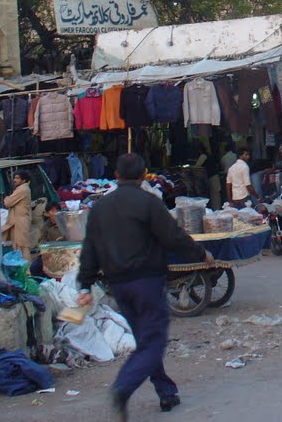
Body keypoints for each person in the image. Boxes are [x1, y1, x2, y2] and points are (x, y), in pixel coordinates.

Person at [77, 153, 211, 421]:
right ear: (143, 176)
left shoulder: (100, 208)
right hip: (146, 281)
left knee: (145, 339)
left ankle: (166, 391)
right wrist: (200, 254)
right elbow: (173, 237)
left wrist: (85, 285)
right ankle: (123, 386)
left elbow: (89, 248)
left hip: (118, 284)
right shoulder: (148, 203)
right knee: (154, 340)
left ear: (116, 175)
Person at [1, 170, 33, 260]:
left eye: (17, 178)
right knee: (17, 246)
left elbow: (8, 202)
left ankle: (26, 270)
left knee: (22, 246)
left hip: (20, 221)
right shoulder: (21, 189)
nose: (15, 180)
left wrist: (7, 198)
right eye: (14, 178)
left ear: (24, 180)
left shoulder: (23, 189)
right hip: (18, 221)